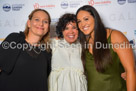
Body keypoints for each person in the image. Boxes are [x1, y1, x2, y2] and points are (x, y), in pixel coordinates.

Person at [76, 5, 136, 91]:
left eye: (86, 19)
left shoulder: (115, 36)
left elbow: (131, 71)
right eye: (79, 21)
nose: (82, 24)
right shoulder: (85, 42)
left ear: (95, 18)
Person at [0, 9, 51, 91]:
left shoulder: (47, 51)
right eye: (37, 19)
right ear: (29, 23)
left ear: (48, 27)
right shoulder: (14, 39)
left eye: (45, 21)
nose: (41, 24)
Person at [48, 13, 87, 91]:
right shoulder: (53, 43)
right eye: (66, 28)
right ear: (61, 31)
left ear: (78, 30)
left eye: (74, 28)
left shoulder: (82, 46)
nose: (71, 32)